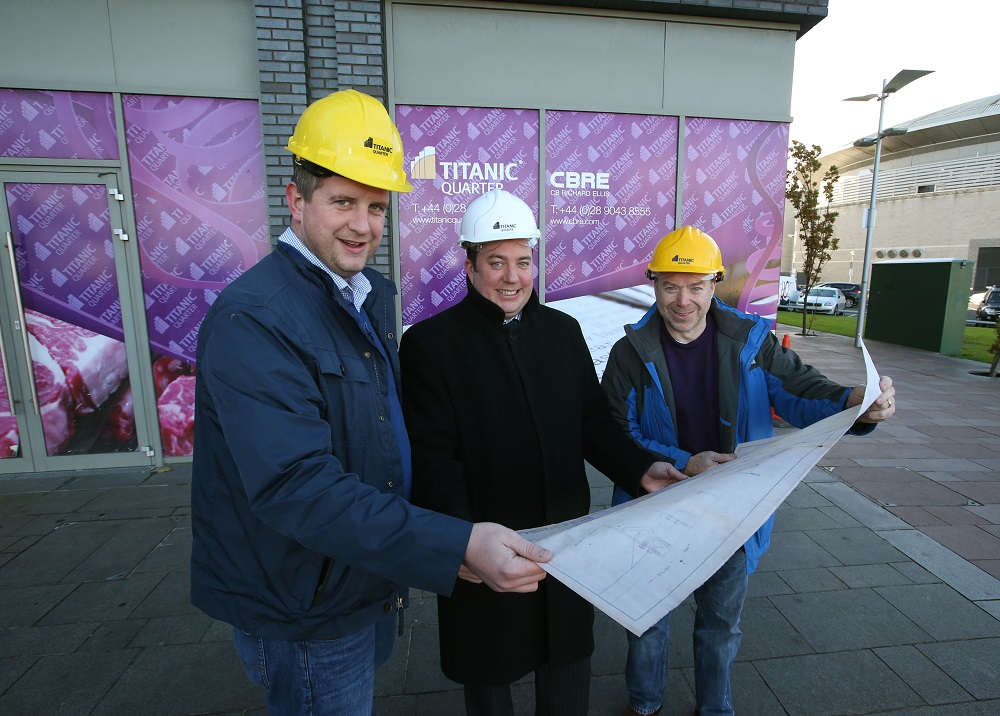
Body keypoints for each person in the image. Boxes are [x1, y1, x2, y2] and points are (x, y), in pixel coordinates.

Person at [189, 91, 553, 716]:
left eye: (377, 207)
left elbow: (381, 439)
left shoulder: (367, 295)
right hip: (305, 603)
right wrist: (451, 545)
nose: (363, 224)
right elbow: (296, 484)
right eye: (343, 202)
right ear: (297, 201)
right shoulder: (258, 317)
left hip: (359, 579)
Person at [398, 188, 687, 716]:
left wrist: (642, 468)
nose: (512, 277)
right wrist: (457, 541)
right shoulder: (430, 345)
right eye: (496, 262)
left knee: (566, 665)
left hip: (563, 539)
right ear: (469, 265)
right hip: (487, 542)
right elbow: (432, 456)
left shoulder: (563, 331)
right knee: (489, 673)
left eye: (523, 262)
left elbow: (593, 423)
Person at [601, 225, 897, 716]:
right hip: (651, 504)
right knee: (646, 618)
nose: (683, 300)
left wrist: (858, 405)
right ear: (654, 285)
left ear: (715, 283)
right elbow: (615, 433)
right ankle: (644, 702)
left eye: (696, 286)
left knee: (719, 626)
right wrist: (682, 463)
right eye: (671, 285)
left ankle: (715, 709)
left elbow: (803, 391)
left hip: (730, 510)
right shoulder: (629, 353)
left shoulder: (751, 341)